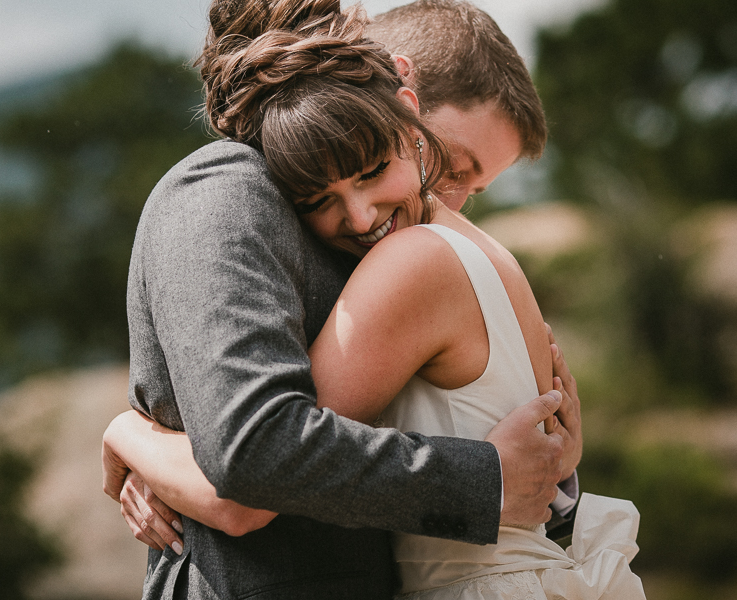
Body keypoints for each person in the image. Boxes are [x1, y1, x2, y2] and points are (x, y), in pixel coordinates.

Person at [103, 1, 583, 598]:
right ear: (404, 108)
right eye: (449, 164)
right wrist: (147, 443)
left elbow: (252, 467)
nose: (450, 199)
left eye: (473, 186)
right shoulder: (227, 187)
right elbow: (255, 455)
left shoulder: (413, 249)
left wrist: (134, 438)